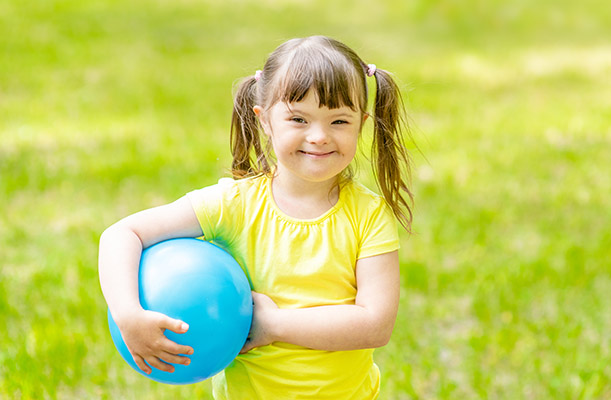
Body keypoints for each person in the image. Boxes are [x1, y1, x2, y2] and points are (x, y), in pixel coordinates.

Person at [98, 35, 414, 399]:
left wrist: (273, 325)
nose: (319, 136)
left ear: (362, 122)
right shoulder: (234, 205)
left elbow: (375, 325)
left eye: (339, 121)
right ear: (264, 121)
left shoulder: (369, 215)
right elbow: (122, 234)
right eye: (298, 118)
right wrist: (128, 314)